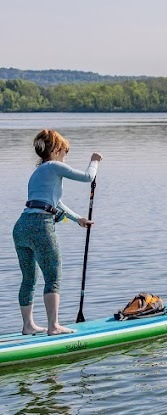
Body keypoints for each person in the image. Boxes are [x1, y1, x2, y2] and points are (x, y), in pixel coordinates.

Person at [13, 129, 100, 335]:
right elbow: (88, 176)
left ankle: (28, 325)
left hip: (21, 226)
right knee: (53, 276)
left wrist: (77, 218)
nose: (65, 156)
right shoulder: (55, 166)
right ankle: (54, 326)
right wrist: (95, 160)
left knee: (29, 279)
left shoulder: (39, 171)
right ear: (57, 150)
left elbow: (55, 202)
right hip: (40, 225)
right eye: (65, 152)